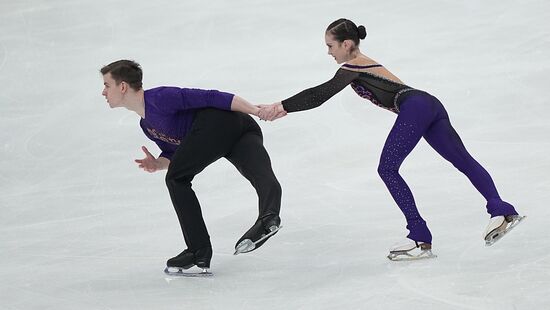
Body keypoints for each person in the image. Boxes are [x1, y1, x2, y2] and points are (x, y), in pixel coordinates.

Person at [258, 18, 524, 260]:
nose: (329, 52)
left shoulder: (353, 66)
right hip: (428, 105)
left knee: (387, 168)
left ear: (346, 44)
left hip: (416, 107)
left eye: (331, 46)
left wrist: (280, 106)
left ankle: (419, 236)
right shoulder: (356, 65)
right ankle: (500, 209)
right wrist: (283, 109)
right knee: (462, 161)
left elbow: (321, 93)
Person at [100, 60, 282, 275]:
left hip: (221, 122)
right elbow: (175, 154)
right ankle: (269, 218)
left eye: (107, 85)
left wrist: (255, 110)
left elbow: (213, 97)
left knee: (176, 179)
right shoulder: (147, 125)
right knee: (261, 175)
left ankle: (198, 250)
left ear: (122, 87)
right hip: (236, 129)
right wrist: (158, 163)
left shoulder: (159, 98)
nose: (103, 92)